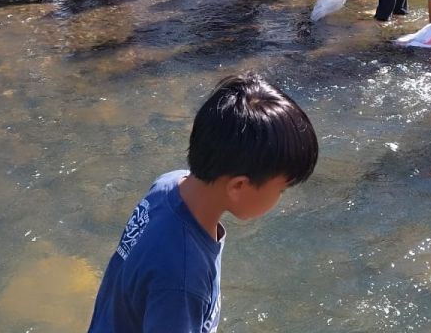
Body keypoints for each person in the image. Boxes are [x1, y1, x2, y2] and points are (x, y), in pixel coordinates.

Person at [86, 71, 318, 333]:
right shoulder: (183, 277)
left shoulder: (169, 185)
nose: (281, 199)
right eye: (281, 190)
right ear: (239, 186)